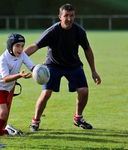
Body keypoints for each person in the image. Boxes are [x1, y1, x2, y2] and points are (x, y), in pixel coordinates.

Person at [24, 3, 101, 131]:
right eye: (66, 16)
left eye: (72, 15)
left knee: (84, 91)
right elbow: (35, 46)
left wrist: (94, 71)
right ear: (60, 17)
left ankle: (78, 117)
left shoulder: (79, 31)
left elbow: (87, 50)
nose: (69, 18)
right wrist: (18, 57)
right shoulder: (52, 31)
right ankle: (35, 121)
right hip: (53, 65)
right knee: (46, 93)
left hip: (73, 65)